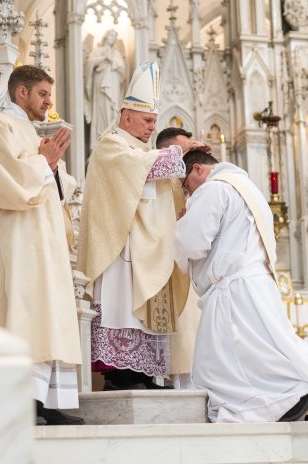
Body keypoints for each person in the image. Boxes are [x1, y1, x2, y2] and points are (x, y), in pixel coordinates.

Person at [175, 151, 308, 422]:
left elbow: (193, 243)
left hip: (233, 287)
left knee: (215, 365)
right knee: (272, 346)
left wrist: (180, 222)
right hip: (256, 280)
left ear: (196, 169)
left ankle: (295, 396)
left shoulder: (214, 189)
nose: (188, 193)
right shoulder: (248, 189)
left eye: (186, 186)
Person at [78, 62, 192, 391]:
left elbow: (157, 176)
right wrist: (176, 154)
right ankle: (119, 375)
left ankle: (142, 374)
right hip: (119, 247)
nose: (150, 128)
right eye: (147, 121)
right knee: (121, 308)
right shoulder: (111, 144)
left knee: (139, 309)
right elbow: (135, 169)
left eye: (154, 122)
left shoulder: (143, 148)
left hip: (145, 246)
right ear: (127, 116)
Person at [0, 65, 84, 425]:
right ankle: (22, 400)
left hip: (44, 241)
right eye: (42, 93)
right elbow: (4, 180)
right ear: (21, 93)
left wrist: (52, 168)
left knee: (47, 316)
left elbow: (57, 187)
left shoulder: (30, 132)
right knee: (26, 313)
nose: (49, 101)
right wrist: (45, 162)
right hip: (18, 241)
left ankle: (45, 400)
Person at [155, 127, 209, 389]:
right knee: (184, 335)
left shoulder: (190, 187)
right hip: (169, 265)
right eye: (182, 152)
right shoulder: (159, 183)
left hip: (196, 268)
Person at [85, 29, 126, 145]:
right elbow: (90, 64)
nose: (112, 37)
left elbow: (123, 71)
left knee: (113, 112)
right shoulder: (97, 50)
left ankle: (113, 140)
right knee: (101, 112)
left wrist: (112, 60)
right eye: (111, 35)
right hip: (100, 86)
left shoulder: (116, 53)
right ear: (106, 36)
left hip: (113, 87)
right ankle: (100, 142)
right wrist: (104, 58)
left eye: (114, 36)